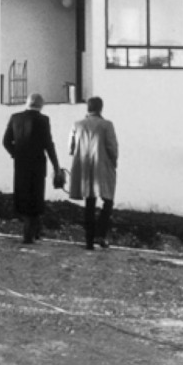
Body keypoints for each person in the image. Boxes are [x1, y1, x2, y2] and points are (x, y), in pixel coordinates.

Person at [2, 93, 61, 244]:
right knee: (35, 197)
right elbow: (48, 144)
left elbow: (6, 141)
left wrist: (16, 154)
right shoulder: (43, 120)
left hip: (21, 164)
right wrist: (56, 165)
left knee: (23, 195)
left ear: (27, 103)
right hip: (37, 164)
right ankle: (30, 233)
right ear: (41, 105)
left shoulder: (15, 117)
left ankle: (35, 230)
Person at [68, 96, 119, 250]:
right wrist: (114, 163)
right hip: (103, 167)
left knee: (89, 203)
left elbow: (70, 148)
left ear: (87, 108)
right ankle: (100, 234)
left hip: (84, 168)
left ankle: (89, 241)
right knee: (108, 201)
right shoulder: (107, 125)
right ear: (100, 108)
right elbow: (112, 148)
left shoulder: (77, 125)